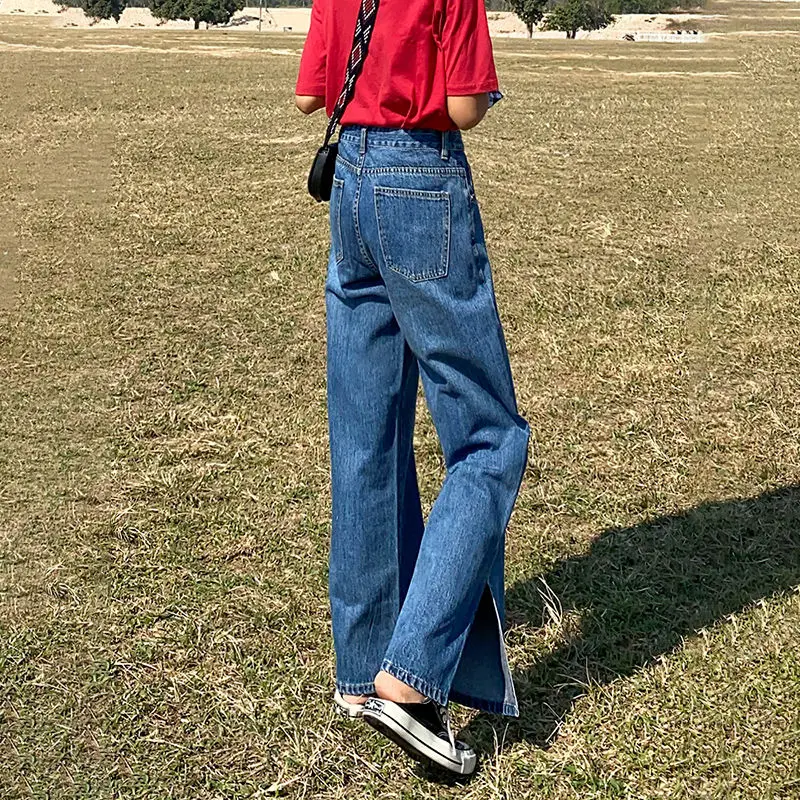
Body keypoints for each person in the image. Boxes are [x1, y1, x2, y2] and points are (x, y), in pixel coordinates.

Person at [294, 0, 530, 776]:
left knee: (366, 434)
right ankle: (412, 677)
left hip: (351, 186)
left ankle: (363, 670)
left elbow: (309, 95)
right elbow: (463, 107)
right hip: (420, 177)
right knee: (490, 440)